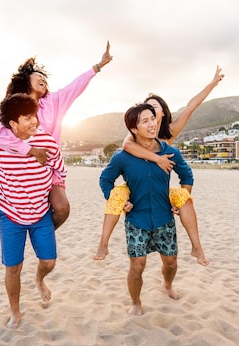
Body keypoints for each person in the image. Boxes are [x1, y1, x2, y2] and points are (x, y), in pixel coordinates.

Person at [0, 42, 113, 282]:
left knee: (63, 208)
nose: (44, 80)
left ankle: (39, 235)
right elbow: (1, 137)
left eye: (45, 78)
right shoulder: (13, 105)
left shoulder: (54, 101)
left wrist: (98, 66)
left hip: (44, 170)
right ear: (27, 83)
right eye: (38, 78)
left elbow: (76, 86)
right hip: (11, 167)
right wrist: (30, 150)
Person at [94, 66, 225, 265]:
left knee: (184, 197)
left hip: (160, 186)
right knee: (117, 194)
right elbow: (126, 146)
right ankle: (103, 243)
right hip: (136, 187)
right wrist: (158, 159)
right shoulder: (134, 134)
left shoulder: (170, 132)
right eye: (146, 109)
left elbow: (191, 106)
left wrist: (212, 84)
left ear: (162, 112)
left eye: (154, 108)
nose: (150, 112)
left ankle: (196, 247)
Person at [0, 93, 66, 329]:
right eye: (27, 118)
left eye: (34, 116)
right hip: (10, 215)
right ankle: (15, 312)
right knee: (13, 268)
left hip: (40, 213)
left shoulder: (47, 142)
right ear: (12, 124)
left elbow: (60, 170)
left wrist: (56, 193)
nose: (34, 121)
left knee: (49, 262)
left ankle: (39, 279)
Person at [99, 103, 194, 315]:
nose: (152, 124)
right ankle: (135, 302)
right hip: (136, 220)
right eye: (145, 121)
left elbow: (187, 176)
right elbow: (105, 179)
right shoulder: (122, 157)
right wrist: (119, 201)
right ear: (134, 129)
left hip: (164, 219)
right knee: (137, 266)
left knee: (170, 262)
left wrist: (180, 200)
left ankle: (167, 285)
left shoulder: (170, 152)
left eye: (153, 118)